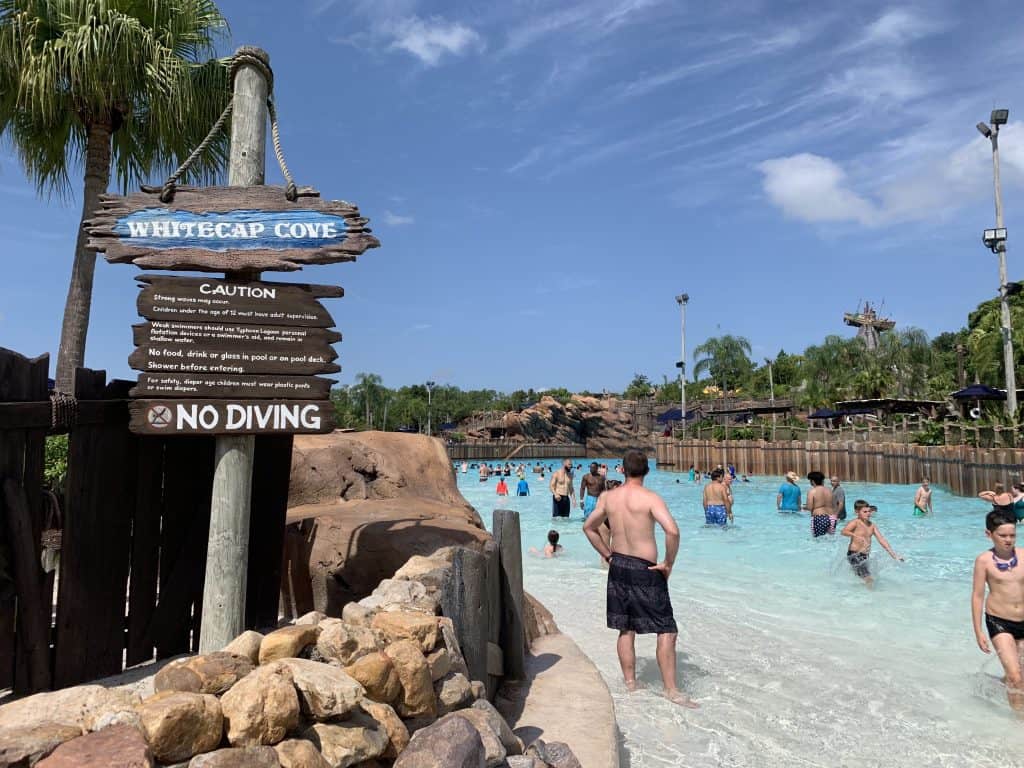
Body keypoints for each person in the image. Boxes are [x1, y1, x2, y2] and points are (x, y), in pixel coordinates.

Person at [582, 450, 698, 708]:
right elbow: (673, 531)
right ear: (647, 471)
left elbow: (588, 527)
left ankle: (631, 684)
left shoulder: (608, 497)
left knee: (626, 627)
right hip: (645, 568)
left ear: (622, 470)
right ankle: (671, 690)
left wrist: (608, 555)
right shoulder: (650, 498)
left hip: (619, 565)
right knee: (667, 628)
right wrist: (668, 563)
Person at [971, 510, 1024, 712]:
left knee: (1020, 677)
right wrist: (978, 631)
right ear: (989, 534)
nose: (1008, 540)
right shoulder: (983, 561)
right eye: (1003, 535)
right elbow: (977, 596)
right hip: (999, 621)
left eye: (1012, 535)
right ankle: (1018, 725)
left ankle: (998, 684)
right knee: (1015, 676)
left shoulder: (1023, 555)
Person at [841, 503, 903, 588]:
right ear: (857, 512)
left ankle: (857, 592)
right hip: (854, 555)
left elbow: (882, 540)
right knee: (868, 578)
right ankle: (871, 596)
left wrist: (894, 556)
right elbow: (844, 531)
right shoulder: (855, 522)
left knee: (861, 576)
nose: (868, 513)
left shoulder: (872, 526)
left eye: (869, 511)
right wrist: (856, 536)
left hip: (865, 556)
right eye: (865, 511)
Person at [804, 471, 833, 537]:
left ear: (812, 481)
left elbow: (810, 507)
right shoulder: (829, 490)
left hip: (819, 517)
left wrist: (803, 507)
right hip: (832, 517)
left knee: (818, 540)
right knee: (830, 539)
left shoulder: (812, 491)